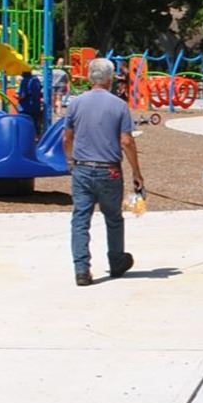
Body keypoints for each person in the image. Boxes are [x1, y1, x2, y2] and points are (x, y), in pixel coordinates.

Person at [61, 56, 145, 285]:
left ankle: (81, 269)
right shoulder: (119, 105)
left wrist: (69, 160)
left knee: (80, 219)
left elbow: (67, 136)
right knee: (114, 218)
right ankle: (116, 261)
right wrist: (136, 172)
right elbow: (126, 141)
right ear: (109, 79)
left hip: (82, 168)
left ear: (90, 78)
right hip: (109, 170)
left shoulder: (76, 103)